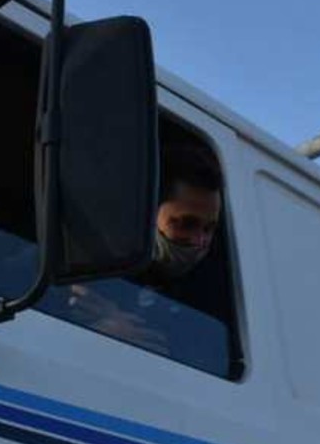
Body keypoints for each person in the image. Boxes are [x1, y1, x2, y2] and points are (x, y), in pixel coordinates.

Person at [54, 143, 227, 359]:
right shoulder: (80, 263)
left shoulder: (216, 299)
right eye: (186, 224)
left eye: (209, 228)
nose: (200, 240)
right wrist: (97, 333)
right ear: (146, 213)